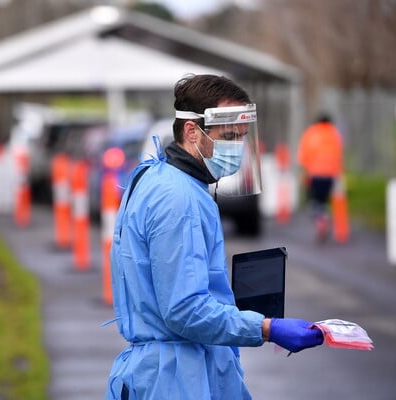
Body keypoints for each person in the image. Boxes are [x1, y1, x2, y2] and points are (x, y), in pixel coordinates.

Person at [104, 74, 323, 400]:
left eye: (243, 138)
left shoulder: (158, 176)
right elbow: (184, 310)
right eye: (230, 136)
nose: (237, 148)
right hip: (177, 379)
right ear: (192, 131)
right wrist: (266, 329)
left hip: (173, 370)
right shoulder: (178, 198)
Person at [296, 113, 344, 241]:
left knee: (315, 201)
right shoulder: (334, 134)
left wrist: (304, 173)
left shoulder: (311, 133)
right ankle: (324, 219)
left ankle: (321, 222)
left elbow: (304, 154)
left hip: (315, 174)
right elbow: (339, 154)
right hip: (330, 175)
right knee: (323, 200)